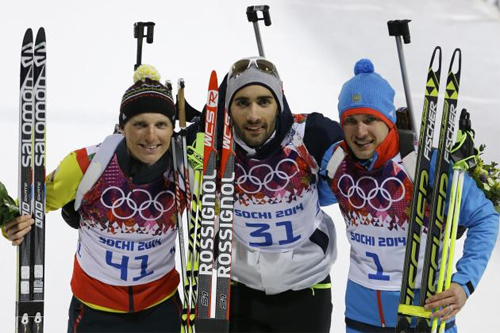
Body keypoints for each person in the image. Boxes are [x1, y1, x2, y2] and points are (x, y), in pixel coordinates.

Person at [2, 64, 185, 333]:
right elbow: (31, 206)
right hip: (95, 309)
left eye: (161, 124)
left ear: (172, 129)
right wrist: (12, 222)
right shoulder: (86, 164)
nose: (151, 136)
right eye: (139, 124)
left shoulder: (186, 168)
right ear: (122, 127)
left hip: (161, 306)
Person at [320, 58, 499, 332]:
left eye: (370, 119)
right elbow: (307, 199)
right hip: (361, 315)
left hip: (425, 312)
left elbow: (484, 217)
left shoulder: (423, 164)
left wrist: (464, 283)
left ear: (389, 120)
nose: (360, 131)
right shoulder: (336, 162)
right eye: (350, 121)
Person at [216, 56, 344, 333]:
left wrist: (408, 147)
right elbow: (154, 144)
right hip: (242, 291)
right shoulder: (212, 145)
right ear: (228, 107)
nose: (253, 116)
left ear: (279, 102)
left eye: (264, 101)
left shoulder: (309, 134)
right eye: (242, 103)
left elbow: (367, 151)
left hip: (306, 289)